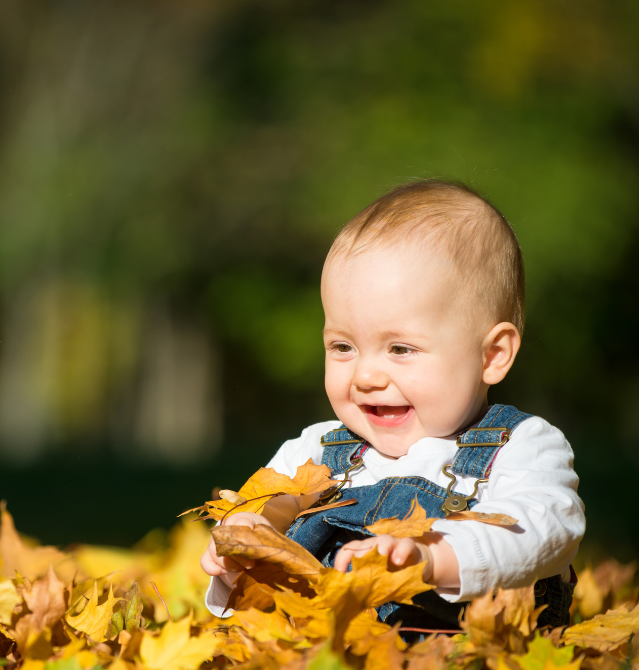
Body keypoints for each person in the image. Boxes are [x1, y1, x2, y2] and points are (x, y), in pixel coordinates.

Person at [199, 180, 584, 631]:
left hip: (470, 667)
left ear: (492, 355)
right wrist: (249, 534)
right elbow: (271, 502)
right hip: (327, 658)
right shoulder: (321, 448)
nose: (365, 376)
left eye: (400, 349)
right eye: (343, 347)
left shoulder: (522, 446)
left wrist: (436, 557)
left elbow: (544, 531)